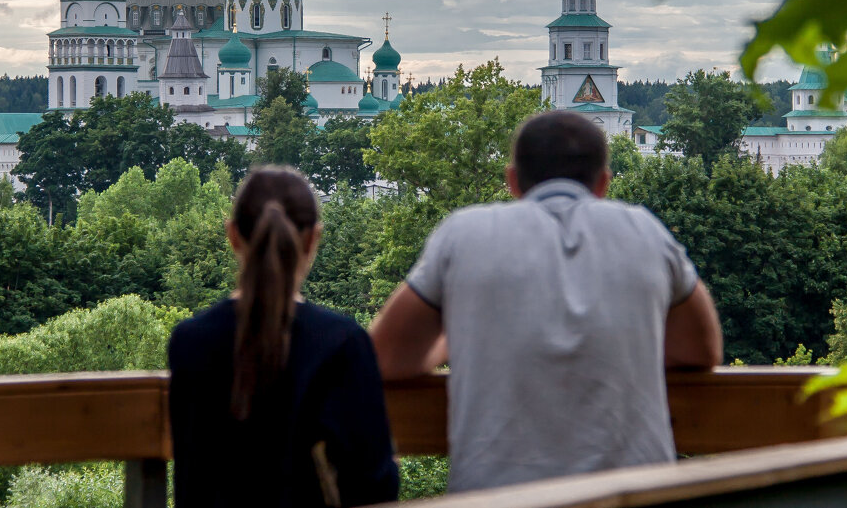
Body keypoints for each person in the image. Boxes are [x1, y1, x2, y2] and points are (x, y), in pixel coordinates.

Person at [370, 111, 723, 493]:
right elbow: (700, 350)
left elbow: (382, 358)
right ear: (603, 183)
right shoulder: (644, 230)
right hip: (631, 495)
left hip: (497, 497)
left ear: (512, 181)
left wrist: (457, 340)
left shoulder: (466, 232)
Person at [168, 166, 399, 508]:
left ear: (233, 236)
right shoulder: (342, 343)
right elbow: (375, 485)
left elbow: (192, 482)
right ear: (313, 239)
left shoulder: (190, 342)